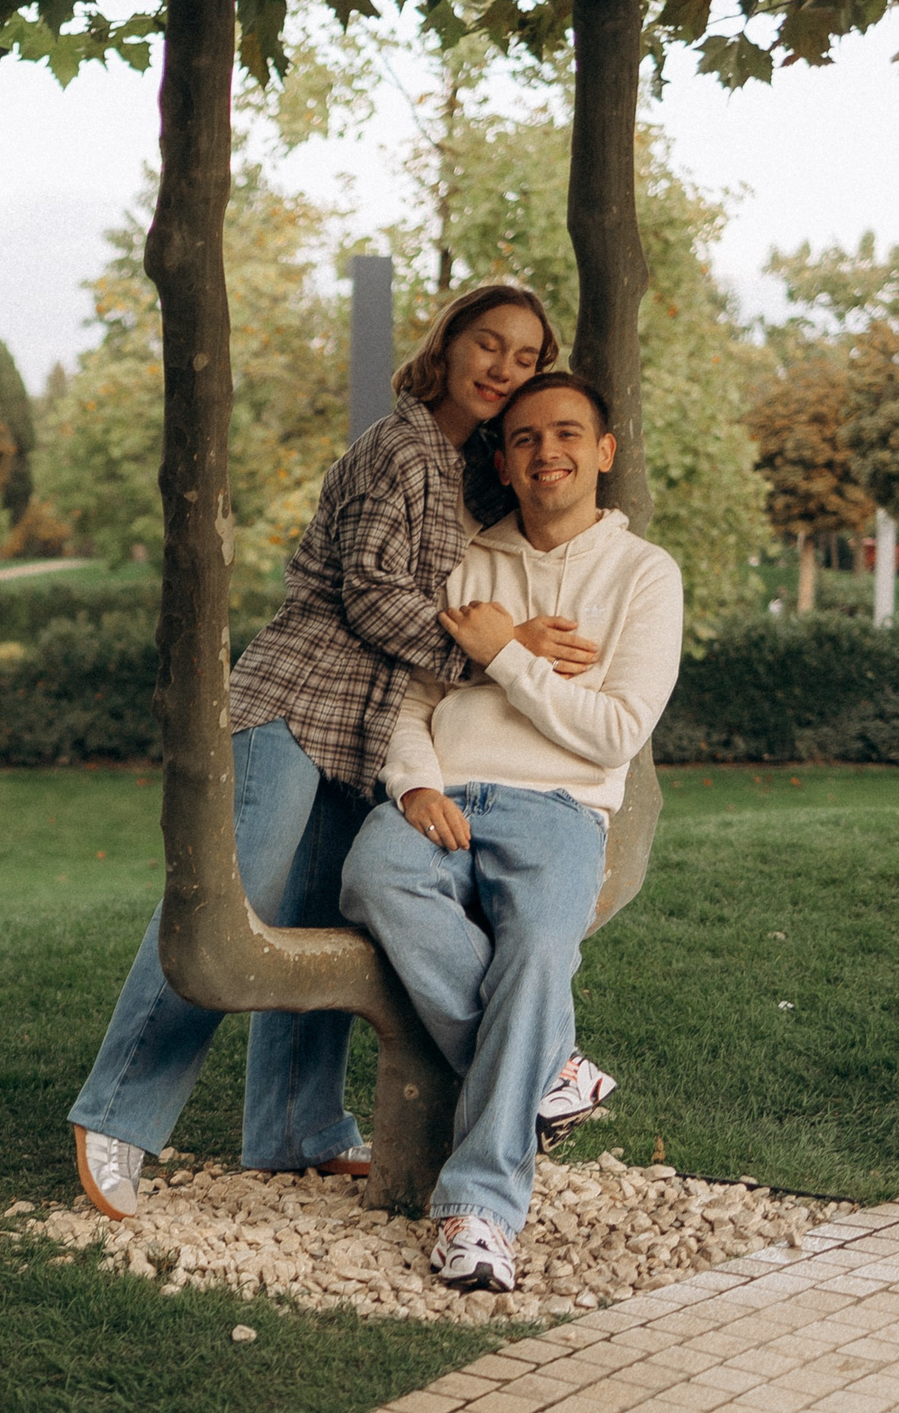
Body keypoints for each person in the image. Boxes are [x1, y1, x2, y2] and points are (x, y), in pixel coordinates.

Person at [68, 283, 617, 1220]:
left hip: (366, 733)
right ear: (445, 346)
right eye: (489, 345)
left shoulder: (468, 469)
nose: (504, 369)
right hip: (294, 704)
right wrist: (501, 647)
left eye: (526, 359)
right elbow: (368, 593)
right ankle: (114, 1116)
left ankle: (296, 1130)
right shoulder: (397, 448)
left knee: (321, 924)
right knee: (220, 908)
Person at [336, 372, 683, 1292]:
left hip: (559, 808)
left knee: (535, 952)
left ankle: (476, 1212)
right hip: (445, 794)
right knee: (371, 873)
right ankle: (545, 1070)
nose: (546, 452)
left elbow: (615, 730)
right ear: (503, 456)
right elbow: (411, 699)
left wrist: (503, 654)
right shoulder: (468, 563)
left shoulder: (645, 574)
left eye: (567, 433)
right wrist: (412, 784)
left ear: (604, 451)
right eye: (524, 438)